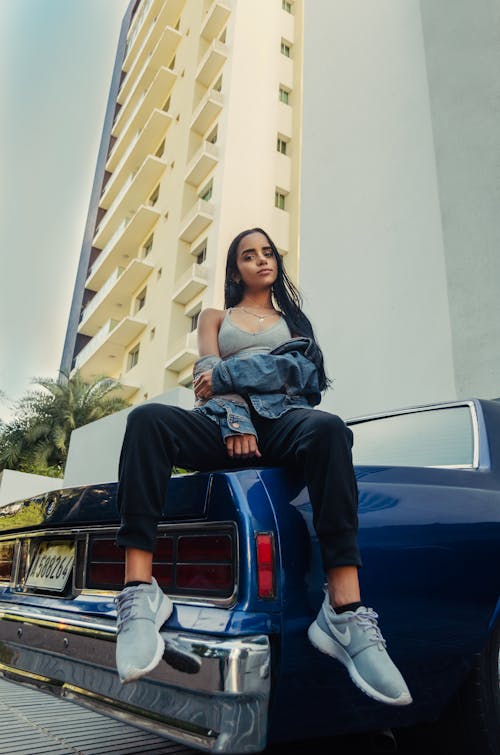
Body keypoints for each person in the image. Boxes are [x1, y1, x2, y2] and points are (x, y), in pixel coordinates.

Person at [114, 228, 412, 706]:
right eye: (248, 256)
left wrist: (232, 374)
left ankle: (344, 610)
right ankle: (139, 593)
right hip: (221, 427)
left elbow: (304, 376)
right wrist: (236, 418)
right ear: (236, 269)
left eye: (267, 252)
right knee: (147, 420)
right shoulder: (214, 317)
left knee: (330, 429)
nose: (260, 260)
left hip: (284, 423)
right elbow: (203, 379)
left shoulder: (294, 320)